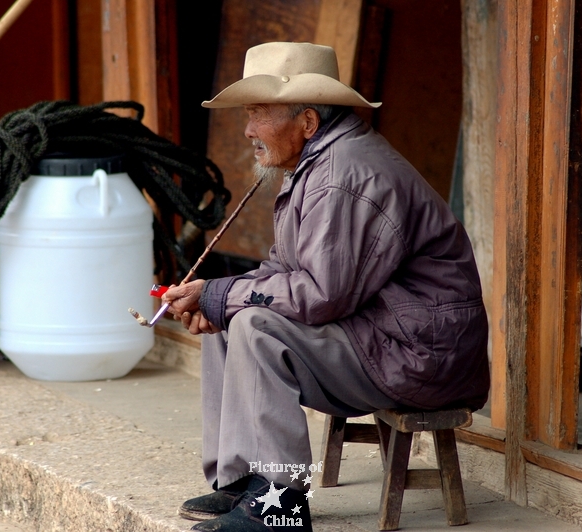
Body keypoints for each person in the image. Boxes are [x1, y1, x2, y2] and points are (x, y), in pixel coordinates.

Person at [162, 41, 490, 532]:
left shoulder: (344, 175)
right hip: (380, 334)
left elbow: (321, 295)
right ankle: (245, 479)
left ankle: (282, 505)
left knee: (254, 324)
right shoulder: (318, 163)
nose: (248, 129)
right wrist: (211, 294)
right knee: (228, 314)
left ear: (308, 122)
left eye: (258, 114)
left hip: (420, 354)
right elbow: (281, 270)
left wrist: (223, 296)